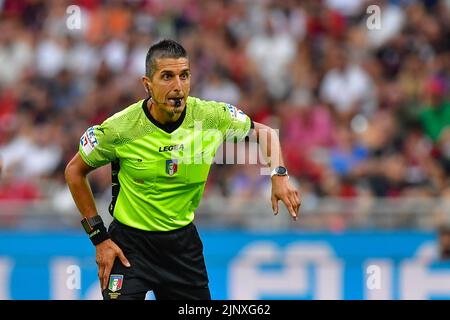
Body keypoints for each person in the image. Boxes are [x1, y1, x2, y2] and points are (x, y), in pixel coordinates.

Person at [64, 39, 300, 300]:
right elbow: (74, 171)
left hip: (182, 248)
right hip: (129, 247)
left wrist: (279, 176)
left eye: (184, 76)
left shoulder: (210, 117)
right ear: (147, 84)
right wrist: (99, 238)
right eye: (167, 77)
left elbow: (265, 133)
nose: (178, 86)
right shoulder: (121, 128)